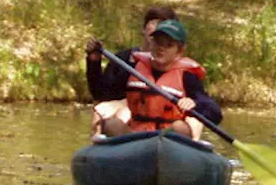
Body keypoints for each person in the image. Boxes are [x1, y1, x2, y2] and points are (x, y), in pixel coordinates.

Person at [85, 10, 220, 141]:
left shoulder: (187, 76)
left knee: (180, 127)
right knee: (112, 124)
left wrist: (194, 104)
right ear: (152, 43)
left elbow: (215, 114)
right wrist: (94, 62)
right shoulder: (134, 68)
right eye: (158, 42)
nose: (161, 48)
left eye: (168, 45)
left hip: (168, 137)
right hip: (136, 135)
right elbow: (101, 93)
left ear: (179, 51)